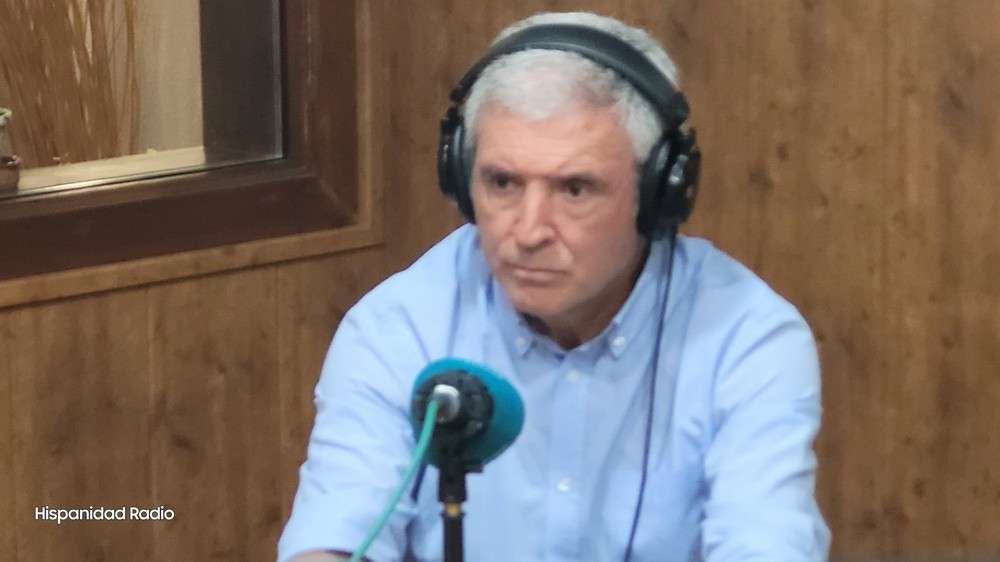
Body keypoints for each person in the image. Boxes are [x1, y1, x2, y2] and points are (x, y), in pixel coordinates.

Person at [279, 11, 829, 562]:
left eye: (574, 189)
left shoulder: (747, 340)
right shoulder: (398, 327)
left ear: (658, 192)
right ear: (462, 180)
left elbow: (764, 541)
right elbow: (332, 538)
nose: (529, 232)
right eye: (503, 183)